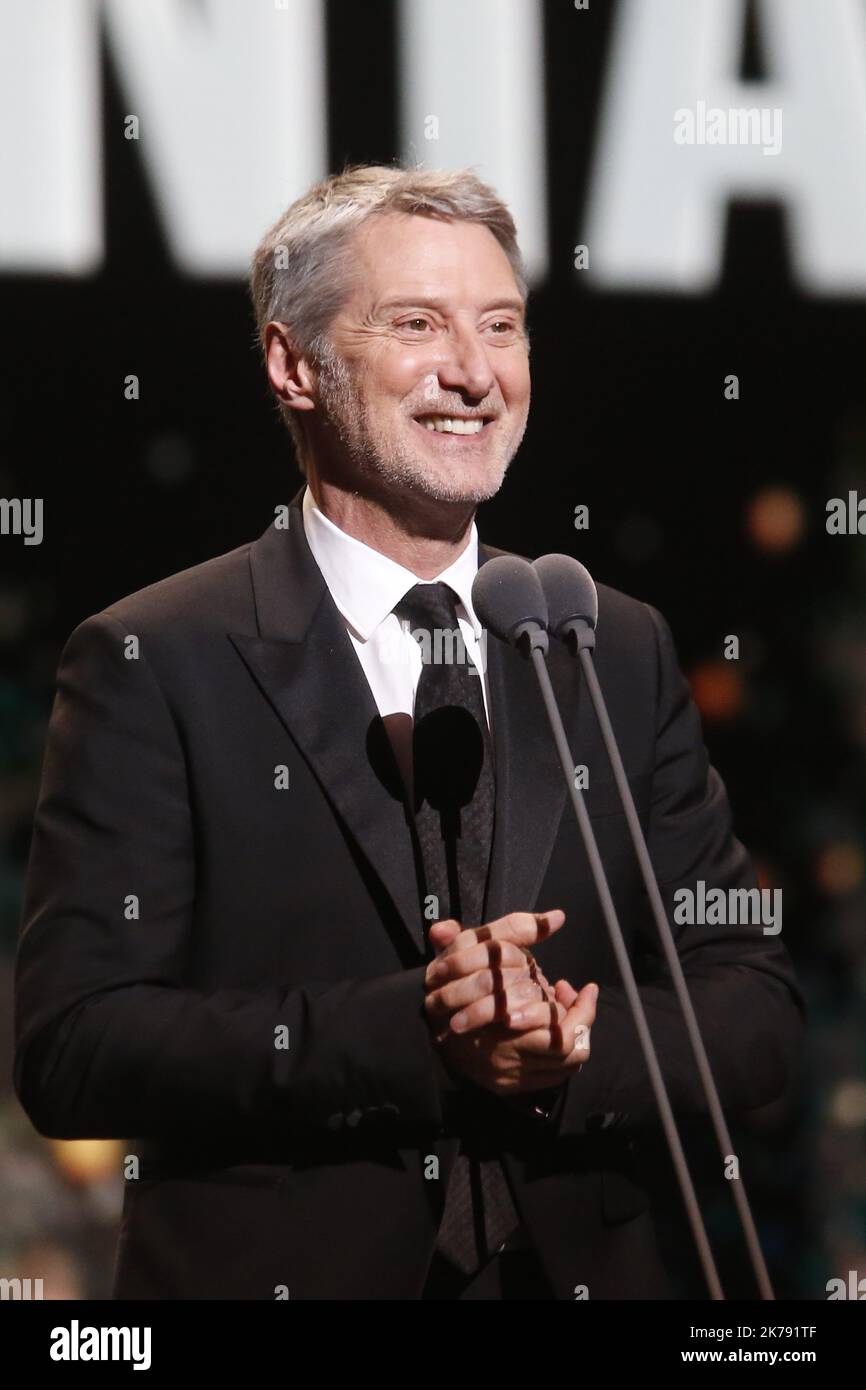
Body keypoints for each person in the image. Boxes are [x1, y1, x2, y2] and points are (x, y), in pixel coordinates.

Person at [14, 165, 805, 1300]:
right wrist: (416, 1037)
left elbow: (755, 1008)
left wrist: (567, 1044)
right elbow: (74, 1049)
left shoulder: (604, 643)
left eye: (500, 326)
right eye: (418, 325)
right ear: (294, 367)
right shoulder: (157, 657)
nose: (474, 373)